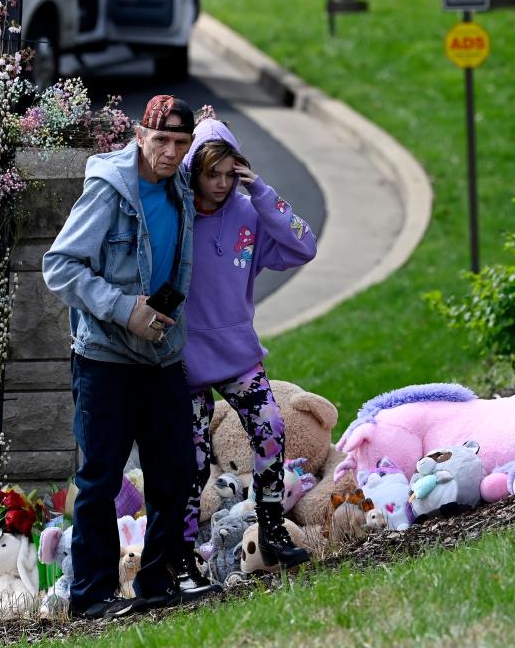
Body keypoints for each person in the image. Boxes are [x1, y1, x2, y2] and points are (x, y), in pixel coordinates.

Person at [43, 95, 219, 620]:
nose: (169, 152)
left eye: (180, 143)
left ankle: (156, 585)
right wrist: (123, 310)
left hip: (161, 355)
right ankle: (91, 597)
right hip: (105, 359)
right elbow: (59, 266)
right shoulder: (108, 190)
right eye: (161, 139)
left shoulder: (181, 187)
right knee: (101, 480)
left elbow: (227, 177)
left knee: (178, 473)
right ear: (140, 136)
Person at [179, 113, 318, 573]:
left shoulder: (248, 211)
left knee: (271, 429)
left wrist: (258, 191)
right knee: (193, 460)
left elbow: (303, 246)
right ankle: (184, 555)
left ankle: (272, 527)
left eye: (228, 173)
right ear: (194, 172)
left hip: (238, 355)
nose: (221, 184)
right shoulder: (176, 214)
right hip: (186, 361)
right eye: (211, 174)